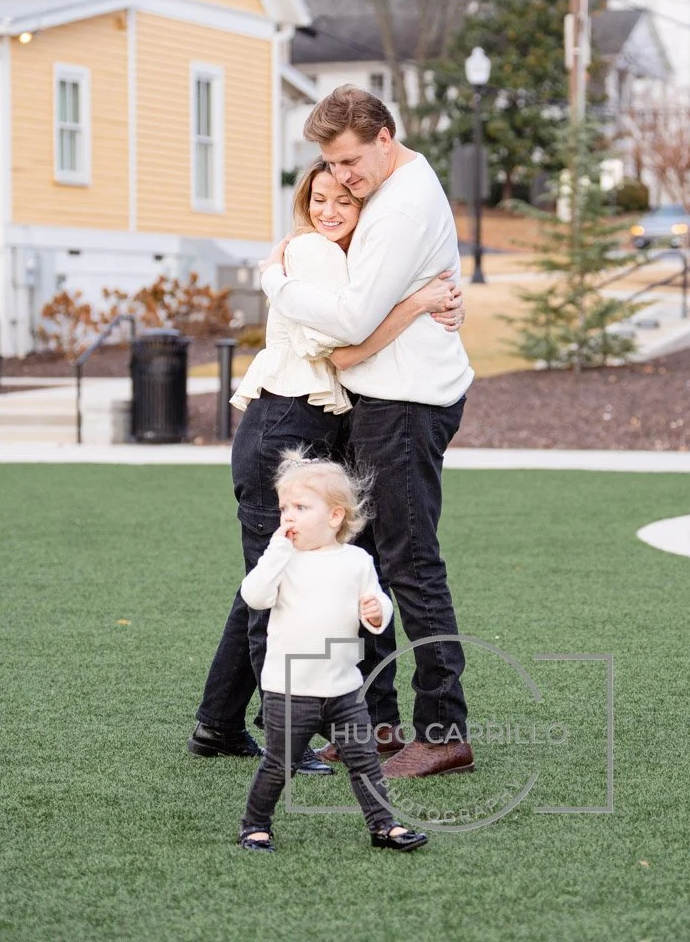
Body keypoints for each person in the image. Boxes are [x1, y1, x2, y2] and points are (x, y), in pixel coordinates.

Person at [186, 159, 462, 771]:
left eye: (343, 199)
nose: (328, 210)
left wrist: (436, 305)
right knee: (277, 585)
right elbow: (345, 348)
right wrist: (418, 303)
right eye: (318, 198)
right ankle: (284, 740)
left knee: (272, 574)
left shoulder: (347, 259)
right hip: (283, 433)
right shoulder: (311, 257)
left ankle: (218, 722)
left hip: (310, 432)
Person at [259, 85, 475, 779]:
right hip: (384, 400)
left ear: (385, 137)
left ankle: (442, 731)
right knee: (373, 564)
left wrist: (275, 283)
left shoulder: (402, 203)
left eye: (352, 159)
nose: (343, 176)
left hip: (406, 404)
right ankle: (378, 723)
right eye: (331, 163)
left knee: (410, 565)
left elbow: (349, 321)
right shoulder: (394, 188)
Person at [237, 451, 427, 853]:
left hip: (344, 689)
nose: (288, 516)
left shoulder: (357, 561)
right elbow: (253, 596)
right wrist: (275, 552)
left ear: (335, 516)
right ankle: (255, 824)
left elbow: (378, 608)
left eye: (301, 507)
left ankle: (384, 825)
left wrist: (376, 611)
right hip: (290, 689)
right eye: (284, 507)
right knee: (280, 763)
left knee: (365, 761)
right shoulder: (283, 562)